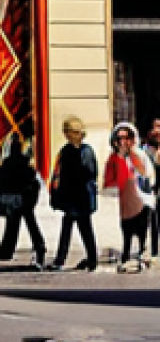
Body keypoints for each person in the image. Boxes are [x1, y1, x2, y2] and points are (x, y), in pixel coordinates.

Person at [0, 134, 46, 269]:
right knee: (28, 223)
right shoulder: (25, 164)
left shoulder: (9, 164)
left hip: (15, 196)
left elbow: (2, 182)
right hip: (23, 197)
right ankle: (38, 247)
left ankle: (8, 250)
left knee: (16, 224)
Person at [47, 116, 98, 272]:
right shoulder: (65, 151)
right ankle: (64, 259)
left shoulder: (86, 151)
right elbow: (58, 174)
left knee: (85, 230)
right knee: (69, 228)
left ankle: (90, 259)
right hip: (71, 197)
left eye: (71, 132)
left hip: (82, 197)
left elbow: (90, 173)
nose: (68, 135)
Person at [104, 122, 155, 273]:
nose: (123, 142)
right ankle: (126, 258)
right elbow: (111, 181)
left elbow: (146, 174)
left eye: (127, 138)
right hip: (125, 202)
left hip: (141, 201)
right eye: (119, 138)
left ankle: (142, 255)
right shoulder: (114, 158)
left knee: (141, 231)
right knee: (126, 231)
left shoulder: (138, 154)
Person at [143, 118, 160, 259]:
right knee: (153, 220)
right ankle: (155, 251)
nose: (156, 130)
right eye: (155, 127)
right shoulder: (147, 148)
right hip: (153, 189)